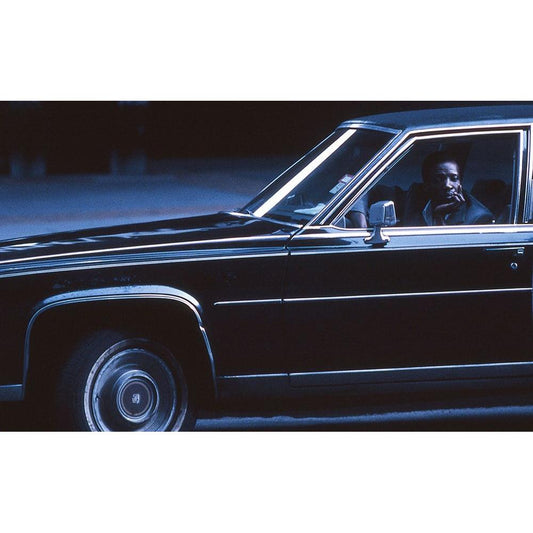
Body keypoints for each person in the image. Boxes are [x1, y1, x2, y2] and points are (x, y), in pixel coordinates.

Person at [404, 151, 493, 226]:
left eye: (454, 179)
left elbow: (444, 241)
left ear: (460, 183)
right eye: (439, 179)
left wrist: (439, 216)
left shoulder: (479, 217)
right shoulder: (415, 197)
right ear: (426, 185)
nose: (448, 185)